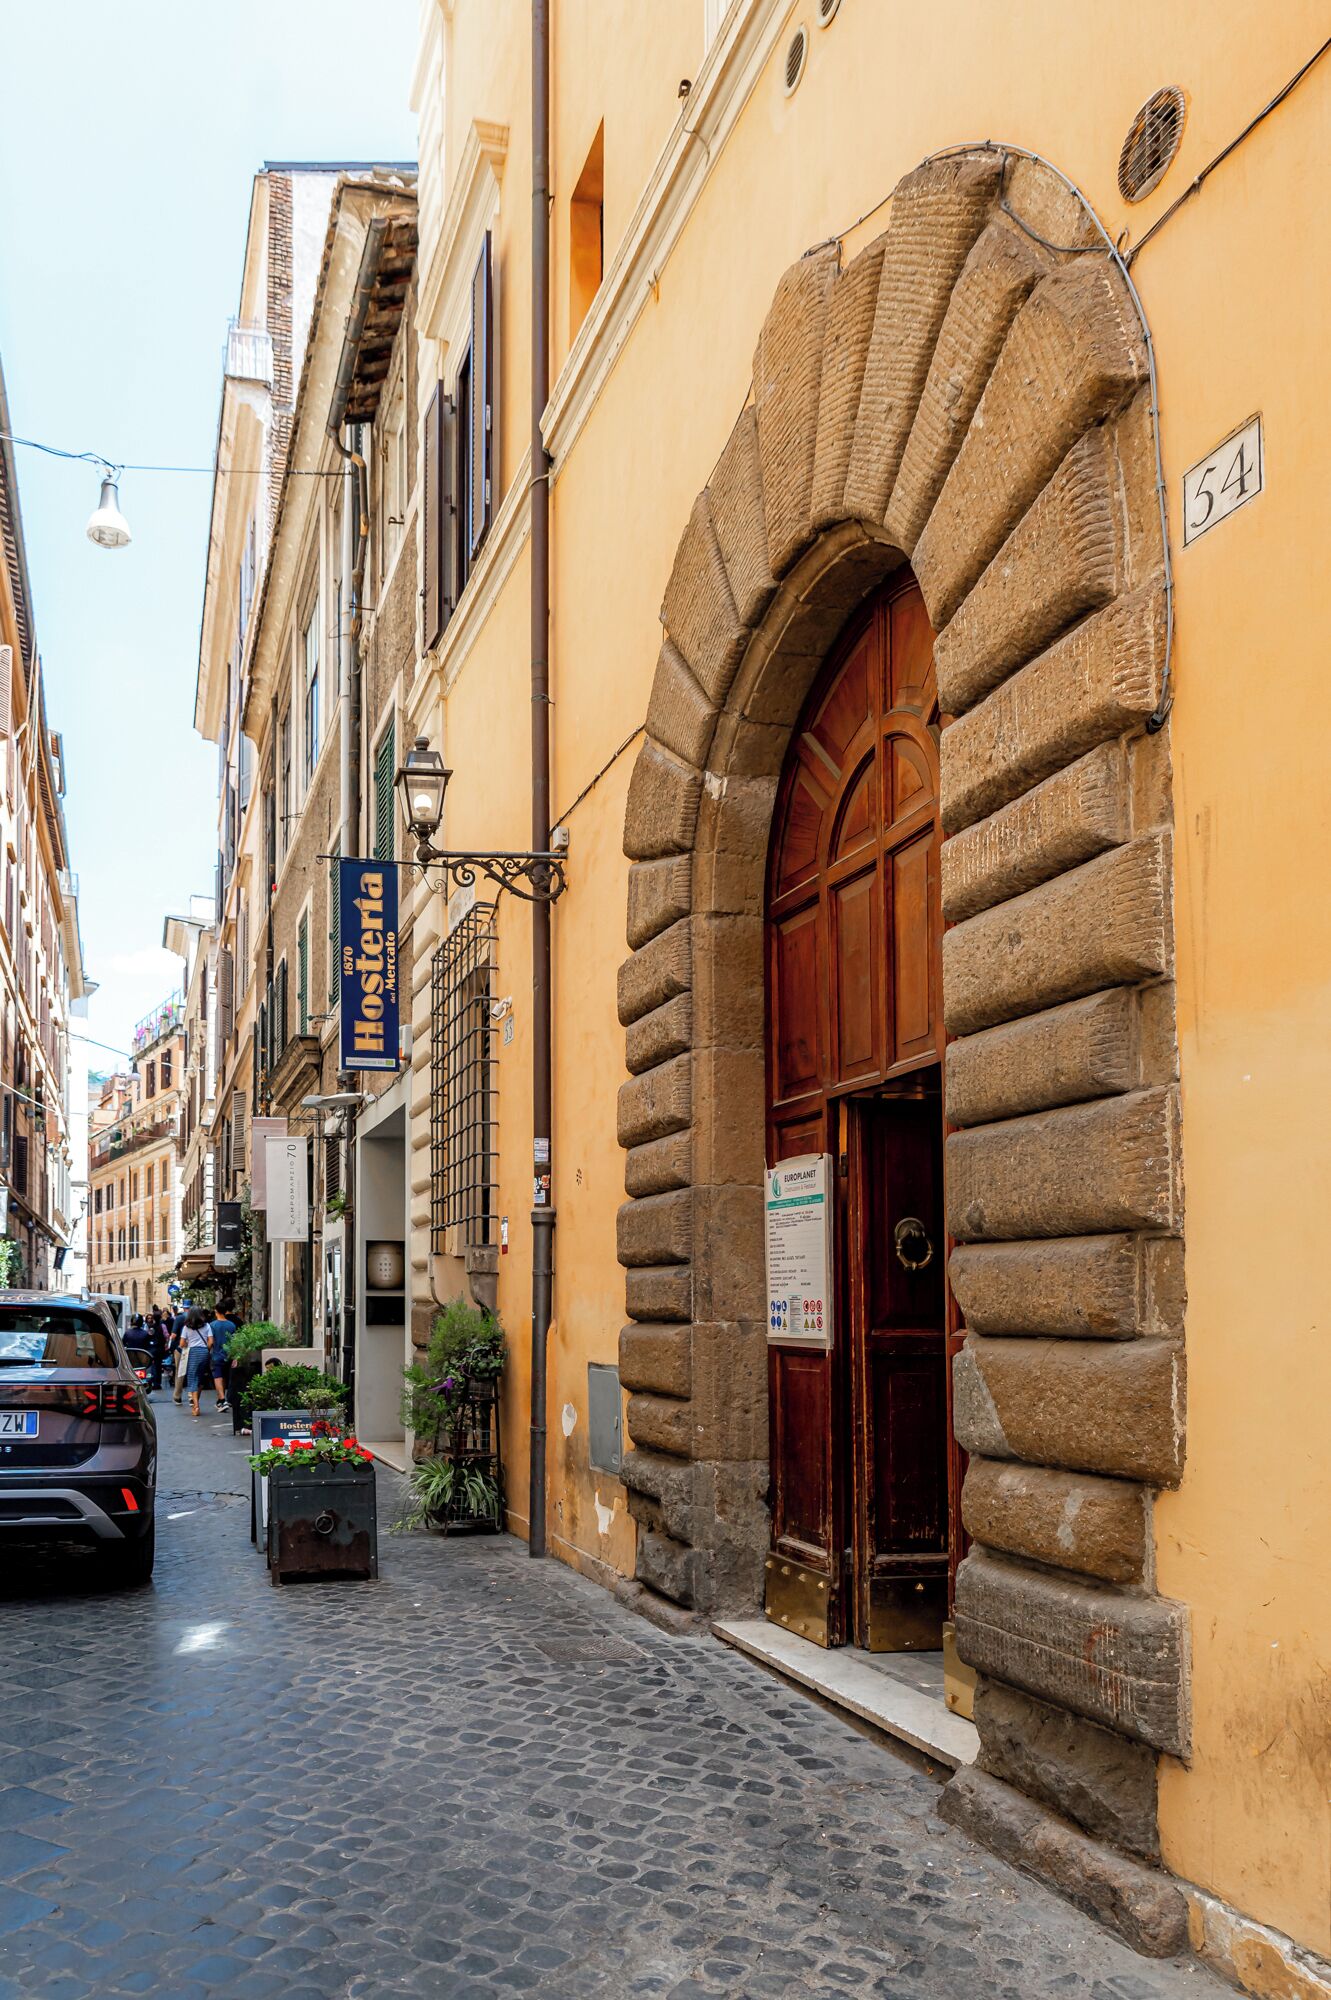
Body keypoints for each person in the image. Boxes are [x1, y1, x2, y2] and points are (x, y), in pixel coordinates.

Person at [181, 1307, 213, 1418]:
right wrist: (205, 1349)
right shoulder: (207, 1326)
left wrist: (189, 1343)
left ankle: (196, 1406)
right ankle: (196, 1402)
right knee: (200, 1378)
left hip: (192, 1353)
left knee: (192, 1378)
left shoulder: (186, 1327)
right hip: (204, 1352)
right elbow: (211, 1341)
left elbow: (181, 1343)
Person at [209, 1304, 236, 1414]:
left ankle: (222, 1400)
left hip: (216, 1355)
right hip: (229, 1355)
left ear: (216, 1311)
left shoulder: (212, 1325)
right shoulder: (232, 1325)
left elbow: (210, 1341)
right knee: (225, 1377)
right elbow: (235, 1341)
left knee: (218, 1377)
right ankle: (222, 1400)